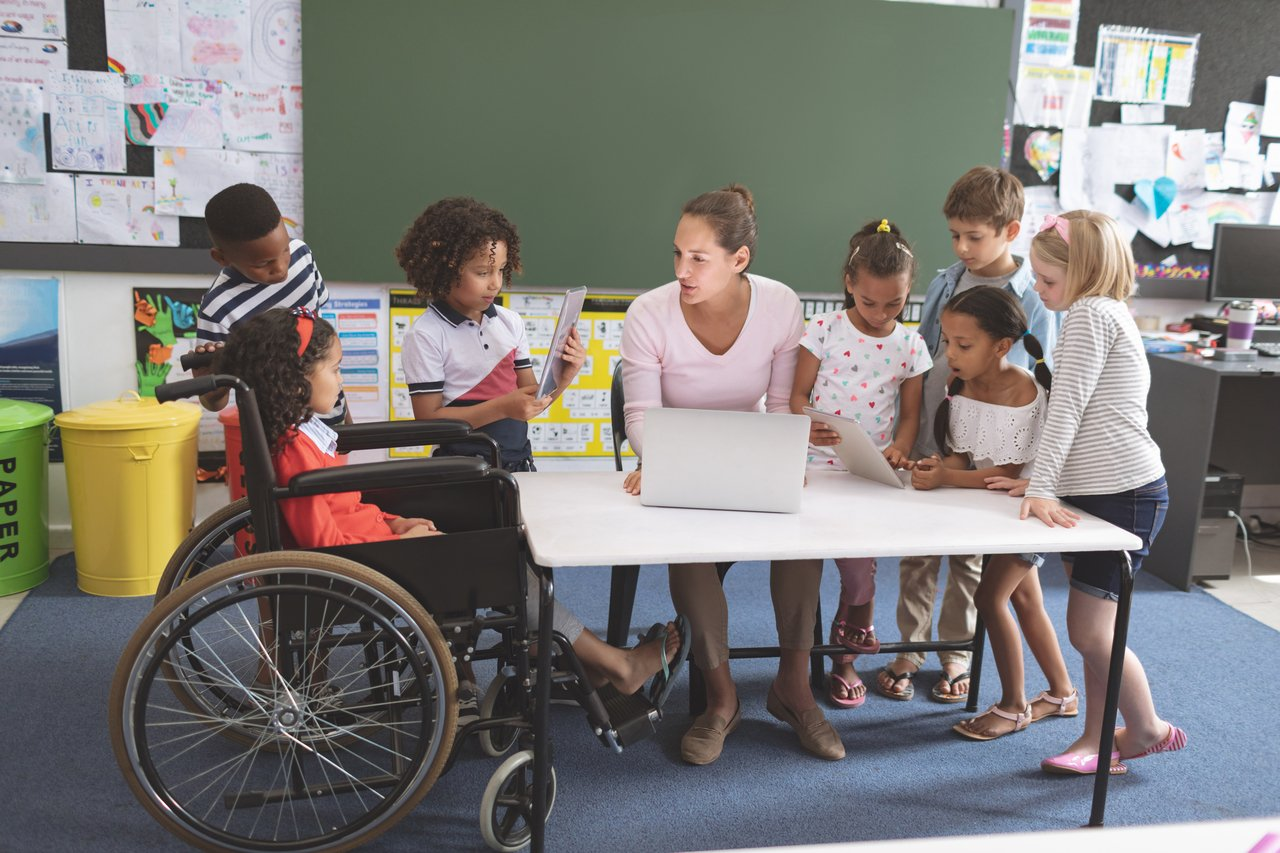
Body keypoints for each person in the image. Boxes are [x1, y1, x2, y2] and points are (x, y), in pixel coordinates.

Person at [218, 306, 687, 696]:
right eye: (335, 369)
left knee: (508, 550)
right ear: (296, 379)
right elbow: (330, 542)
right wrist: (395, 536)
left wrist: (394, 522)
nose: (342, 381)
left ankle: (576, 657)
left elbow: (341, 508)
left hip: (375, 547)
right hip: (363, 569)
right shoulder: (297, 450)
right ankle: (612, 665)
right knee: (508, 565)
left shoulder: (300, 436)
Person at [620, 184, 843, 763]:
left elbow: (779, 403)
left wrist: (784, 456)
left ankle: (793, 690)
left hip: (751, 455)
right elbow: (641, 414)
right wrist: (664, 462)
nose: (682, 271)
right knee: (691, 552)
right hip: (681, 463)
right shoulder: (648, 312)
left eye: (699, 258)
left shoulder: (780, 304)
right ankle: (721, 701)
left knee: (802, 541)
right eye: (677, 254)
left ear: (739, 259)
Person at [1010, 211, 1185, 775]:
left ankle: (1149, 728)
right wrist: (1038, 480)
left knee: (1088, 631)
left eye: (1047, 280)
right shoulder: (1104, 312)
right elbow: (1078, 418)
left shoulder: (1089, 315)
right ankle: (1098, 739)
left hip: (1125, 494)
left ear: (1082, 272)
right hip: (1106, 491)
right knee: (1095, 632)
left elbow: (1067, 409)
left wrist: (1040, 486)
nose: (1038, 288)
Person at [879, 166, 1059, 704]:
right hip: (941, 431)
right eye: (954, 235)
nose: (961, 247)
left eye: (973, 236)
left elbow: (1044, 372)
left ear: (1010, 230)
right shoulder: (945, 281)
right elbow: (927, 355)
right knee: (918, 553)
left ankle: (955, 653)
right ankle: (909, 648)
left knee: (969, 560)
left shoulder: (1033, 295)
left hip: (993, 449)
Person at [910, 286, 1078, 743]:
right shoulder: (958, 384)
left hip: (1027, 509)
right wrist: (939, 467)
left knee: (990, 599)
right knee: (1026, 601)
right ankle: (1063, 694)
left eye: (964, 345)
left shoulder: (1023, 388)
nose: (952, 353)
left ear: (1002, 346)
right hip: (994, 511)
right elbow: (966, 456)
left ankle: (1013, 706)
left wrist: (946, 479)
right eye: (947, 342)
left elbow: (1004, 472)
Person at [789, 219, 930, 708]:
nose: (879, 313)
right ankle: (797, 659)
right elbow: (797, 396)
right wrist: (807, 423)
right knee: (801, 570)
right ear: (849, 284)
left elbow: (910, 416)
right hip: (814, 466)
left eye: (895, 304)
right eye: (868, 302)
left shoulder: (911, 345)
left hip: (869, 473)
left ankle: (845, 660)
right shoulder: (824, 328)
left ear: (910, 291)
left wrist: (900, 448)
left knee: (860, 572)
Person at [395, 197, 585, 472]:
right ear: (446, 266)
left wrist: (564, 378)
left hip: (519, 466)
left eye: (501, 270)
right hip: (462, 474)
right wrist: (503, 408)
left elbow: (528, 404)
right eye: (482, 272)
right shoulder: (426, 335)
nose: (495, 282)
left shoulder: (510, 323)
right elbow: (429, 424)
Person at [192, 183, 346, 424]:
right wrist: (212, 381)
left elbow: (323, 348)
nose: (282, 268)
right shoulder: (218, 308)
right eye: (263, 264)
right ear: (221, 257)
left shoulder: (302, 256)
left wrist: (346, 417)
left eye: (285, 250)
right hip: (275, 434)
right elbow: (213, 403)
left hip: (329, 419)